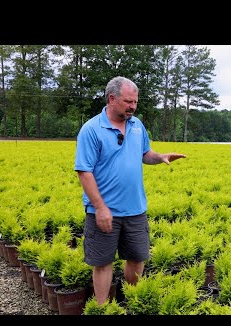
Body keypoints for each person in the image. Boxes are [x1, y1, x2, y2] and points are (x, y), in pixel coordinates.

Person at [74, 76, 186, 305]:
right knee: (103, 262)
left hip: (135, 209)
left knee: (137, 259)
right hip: (104, 211)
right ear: (112, 99)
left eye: (135, 102)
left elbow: (145, 154)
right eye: (128, 101)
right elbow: (84, 172)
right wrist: (100, 208)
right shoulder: (92, 129)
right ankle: (103, 308)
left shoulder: (137, 125)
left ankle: (129, 302)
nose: (133, 106)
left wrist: (160, 157)